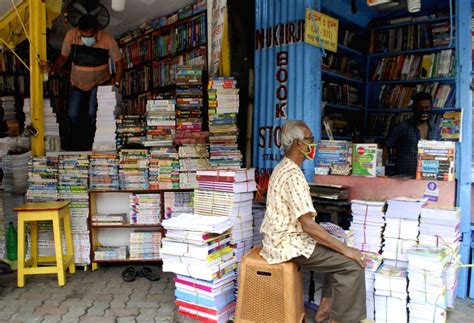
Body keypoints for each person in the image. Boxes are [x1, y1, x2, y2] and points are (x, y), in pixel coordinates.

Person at [260, 120, 367, 323]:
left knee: (338, 244)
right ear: (298, 143)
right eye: (310, 140)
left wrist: (339, 245)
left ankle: (325, 309)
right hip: (287, 244)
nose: (313, 144)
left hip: (279, 238)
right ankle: (341, 319)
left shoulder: (283, 167)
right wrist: (347, 252)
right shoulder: (293, 175)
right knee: (351, 265)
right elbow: (308, 226)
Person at [45, 14, 123, 150]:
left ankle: (93, 143)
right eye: (83, 35)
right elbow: (63, 57)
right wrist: (52, 68)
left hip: (100, 83)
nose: (87, 39)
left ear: (97, 30)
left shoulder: (108, 39)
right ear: (78, 30)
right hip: (77, 83)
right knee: (72, 114)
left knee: (94, 113)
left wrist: (115, 85)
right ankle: (77, 143)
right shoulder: (71, 35)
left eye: (90, 35)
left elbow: (119, 63)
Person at [386, 92, 441, 177]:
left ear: (431, 108)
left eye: (427, 107)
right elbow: (386, 146)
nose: (424, 111)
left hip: (429, 178)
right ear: (414, 109)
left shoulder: (436, 129)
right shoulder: (401, 127)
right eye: (420, 108)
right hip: (404, 178)